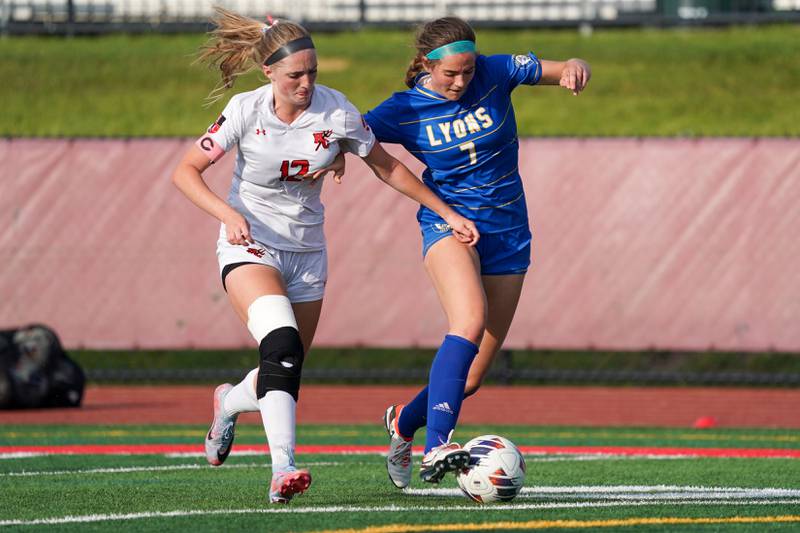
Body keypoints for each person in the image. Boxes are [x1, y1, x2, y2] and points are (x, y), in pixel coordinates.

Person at [170, 8, 479, 504]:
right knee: (283, 347)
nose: (306, 83)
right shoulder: (246, 110)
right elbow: (186, 171)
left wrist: (446, 212)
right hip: (251, 245)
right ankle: (282, 470)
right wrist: (226, 214)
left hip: (308, 251)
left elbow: (387, 167)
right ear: (268, 72)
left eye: (312, 72)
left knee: (285, 365)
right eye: (295, 75)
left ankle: (228, 402)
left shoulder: (336, 111)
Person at [362, 16, 591, 488]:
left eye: (468, 71)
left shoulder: (498, 71)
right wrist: (330, 162)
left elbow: (563, 63)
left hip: (509, 231)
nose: (461, 81)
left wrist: (573, 66)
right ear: (427, 64)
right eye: (451, 74)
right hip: (449, 225)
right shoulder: (403, 108)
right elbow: (353, 135)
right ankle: (437, 445)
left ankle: (403, 423)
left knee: (471, 379)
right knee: (466, 321)